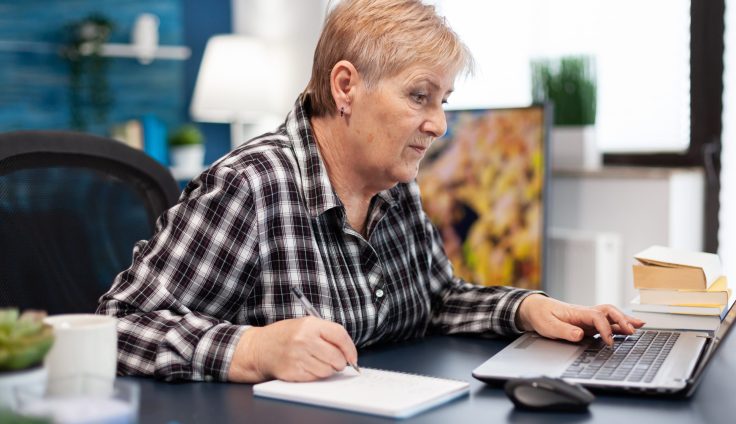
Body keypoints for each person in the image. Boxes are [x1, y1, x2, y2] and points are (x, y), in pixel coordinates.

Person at [97, 0, 643, 383]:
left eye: (444, 100)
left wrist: (529, 310)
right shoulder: (251, 186)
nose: (439, 124)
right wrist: (254, 347)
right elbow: (117, 328)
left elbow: (437, 300)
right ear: (345, 87)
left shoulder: (393, 186)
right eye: (420, 96)